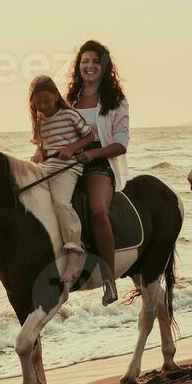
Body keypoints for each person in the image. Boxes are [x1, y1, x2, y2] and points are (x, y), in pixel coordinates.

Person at [66, 40, 130, 306]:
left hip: (98, 165)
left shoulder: (116, 101)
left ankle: (109, 279)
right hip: (69, 164)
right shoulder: (69, 100)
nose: (89, 66)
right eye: (85, 61)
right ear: (78, 66)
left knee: (97, 211)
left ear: (103, 67)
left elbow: (121, 143)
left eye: (94, 61)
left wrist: (92, 153)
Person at [28, 75, 95, 283]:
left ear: (56, 97)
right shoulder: (40, 121)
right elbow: (43, 144)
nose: (43, 106)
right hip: (48, 166)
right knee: (26, 193)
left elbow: (90, 136)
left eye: (47, 101)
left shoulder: (69, 115)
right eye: (38, 103)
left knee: (60, 202)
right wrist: (39, 151)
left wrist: (72, 148)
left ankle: (75, 251)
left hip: (68, 167)